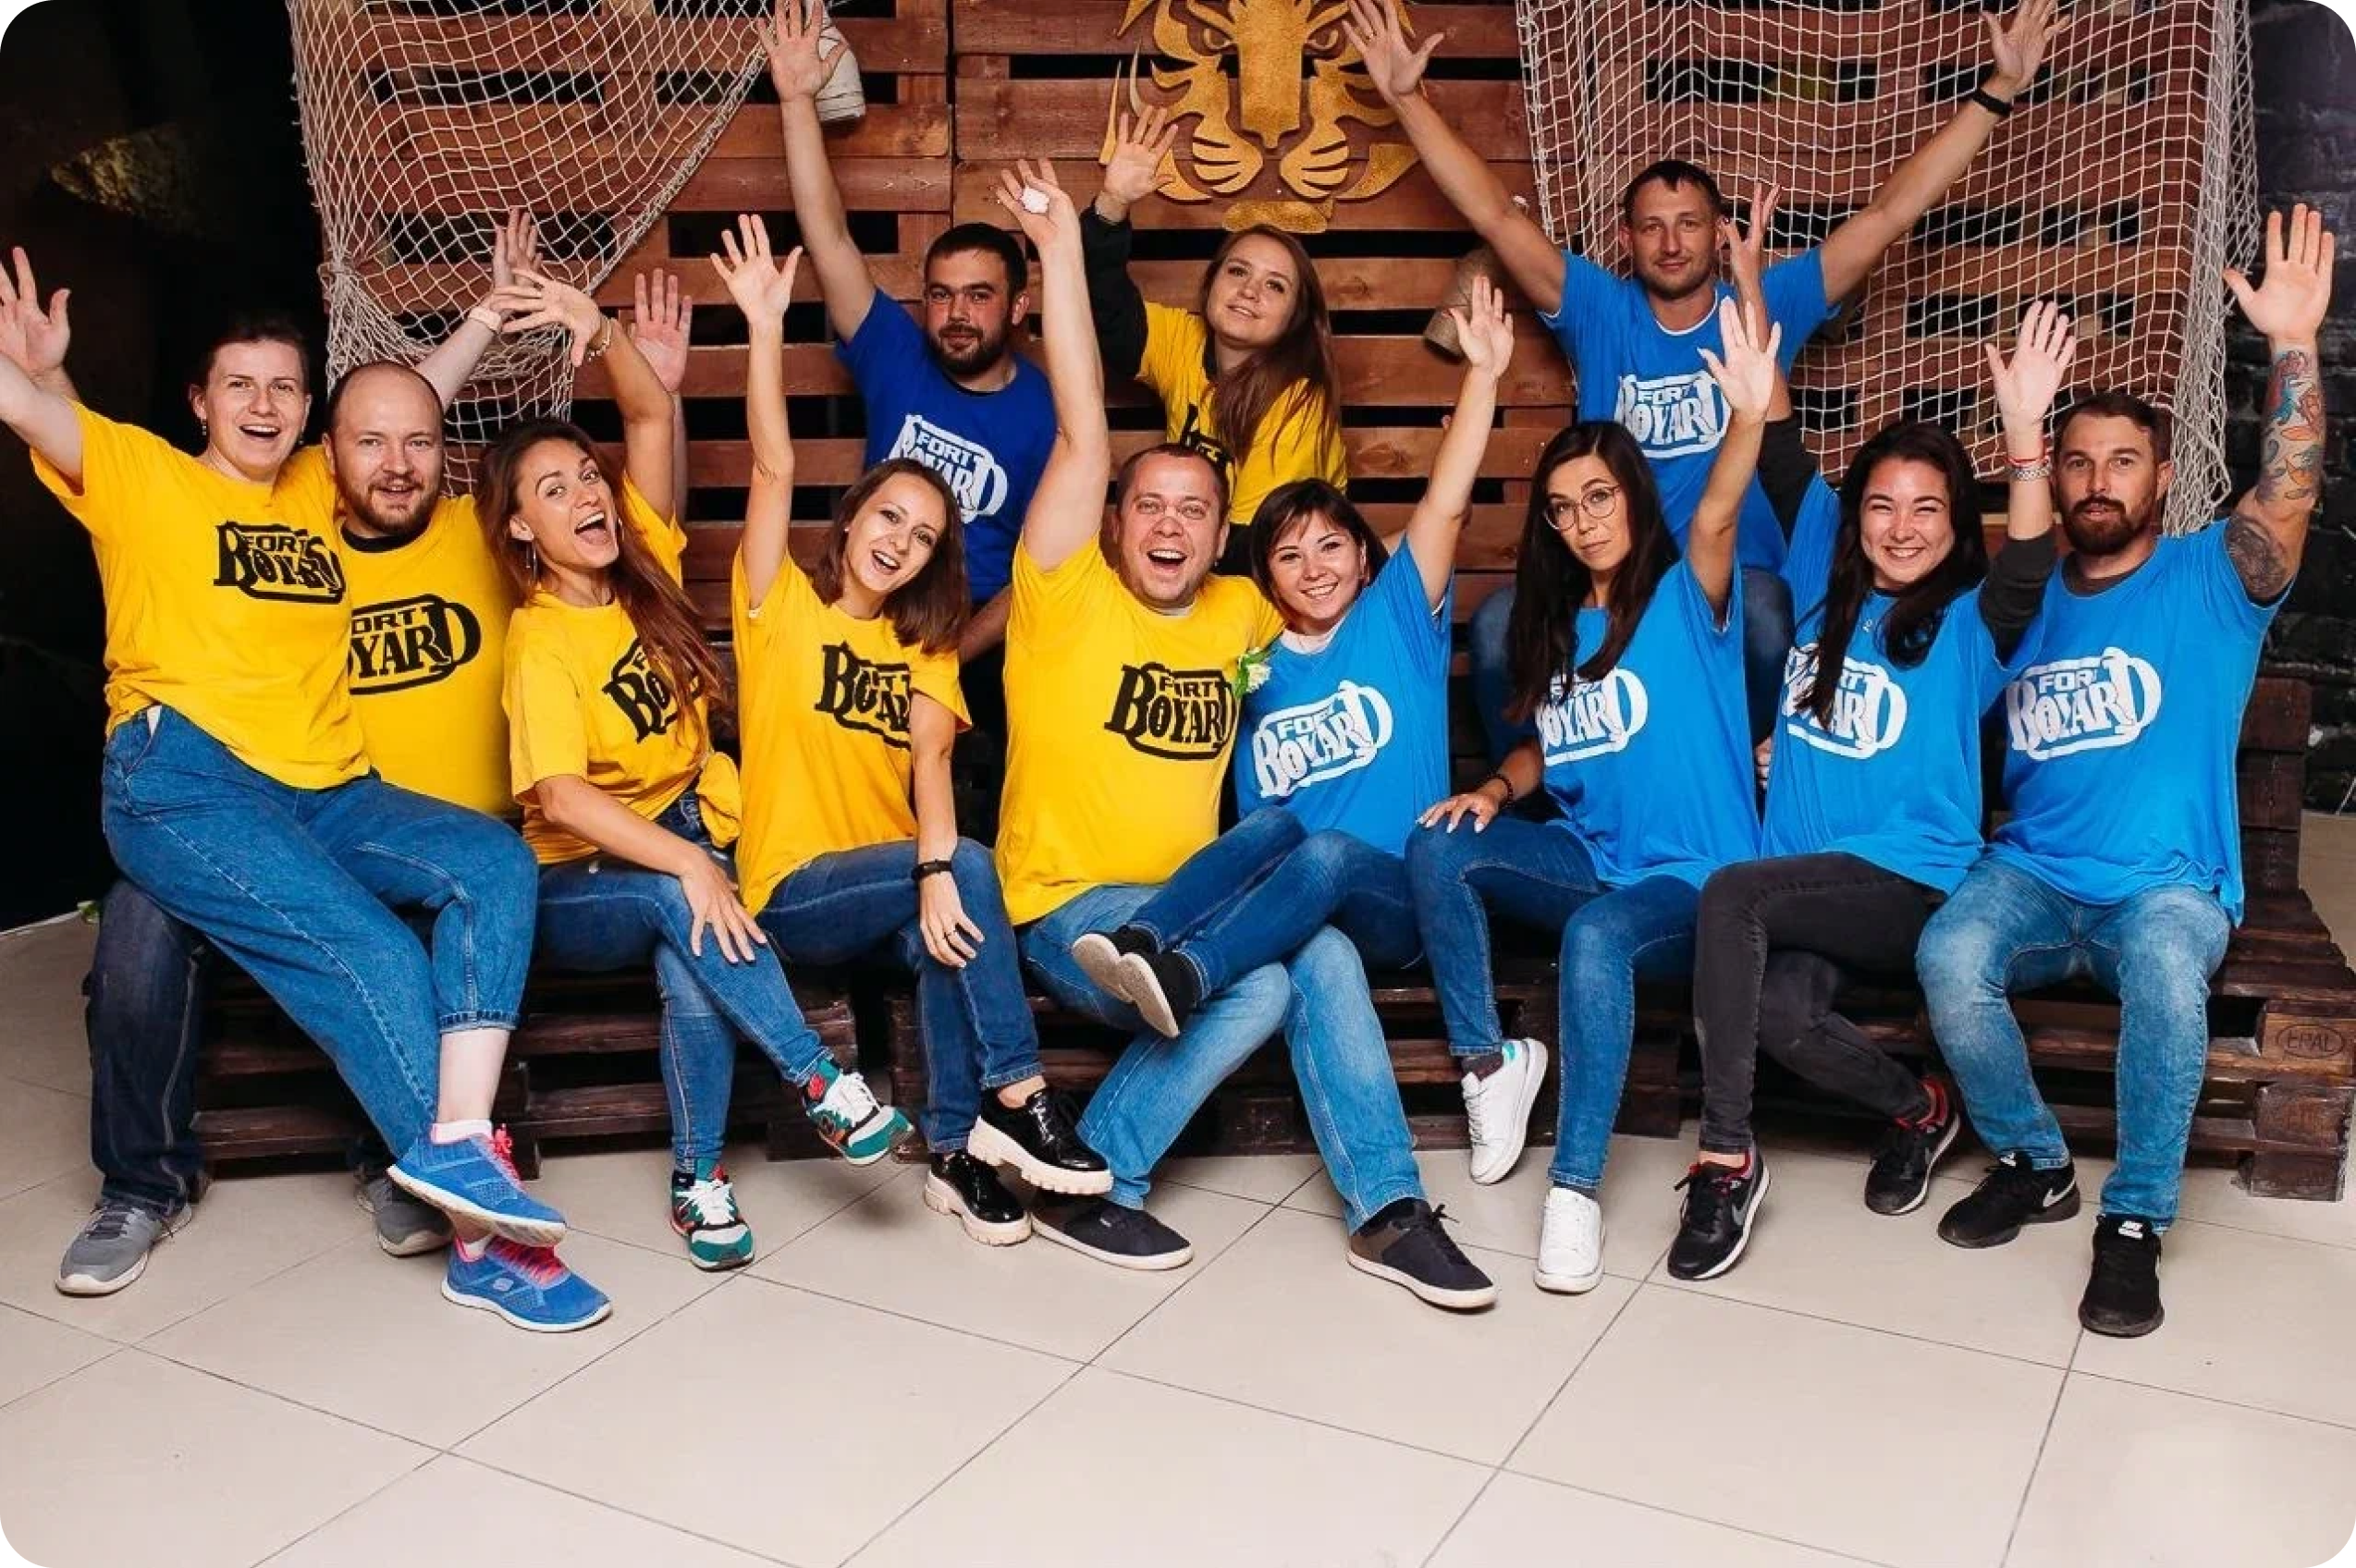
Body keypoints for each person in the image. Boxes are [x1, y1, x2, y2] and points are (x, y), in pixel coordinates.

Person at [0, 245, 598, 1324]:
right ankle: (483, 1235)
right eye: (240, 384)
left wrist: (480, 315)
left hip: (330, 788)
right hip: (188, 778)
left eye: (285, 386)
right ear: (200, 401)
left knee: (490, 860)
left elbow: (405, 404)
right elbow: (34, 414)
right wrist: (43, 378)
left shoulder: (318, 482)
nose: (265, 404)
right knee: (361, 946)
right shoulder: (147, 474)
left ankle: (452, 1143)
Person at [991, 159, 1491, 1309]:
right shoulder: (1065, 591)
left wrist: (1480, 382)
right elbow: (1080, 423)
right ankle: (1098, 1173)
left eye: (1195, 510)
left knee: (1316, 952)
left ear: (1225, 538)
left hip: (1199, 911)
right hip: (1071, 910)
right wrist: (1063, 249)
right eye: (1148, 506)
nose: (1169, 525)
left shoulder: (1242, 610)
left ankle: (1388, 1210)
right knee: (1262, 982)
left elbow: (1348, 571)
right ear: (1113, 522)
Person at [1344, 0, 2068, 753]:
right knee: (1497, 626)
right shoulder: (1598, 308)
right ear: (1626, 237)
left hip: (1738, 585)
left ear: (1720, 233)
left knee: (1765, 612)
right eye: (1652, 226)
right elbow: (1497, 216)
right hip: (1612, 581)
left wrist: (1997, 92)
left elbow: (1888, 214)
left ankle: (1755, 785)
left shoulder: (1764, 301)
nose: (1670, 242)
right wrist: (1407, 99)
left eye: (1689, 223)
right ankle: (1527, 800)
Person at [1917, 206, 2332, 1339]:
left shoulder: (2212, 578)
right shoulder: (2018, 595)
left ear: (2162, 477)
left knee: (2160, 966)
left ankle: (2134, 1218)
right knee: (1948, 952)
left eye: (2123, 461)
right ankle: (2034, 1159)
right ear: (2052, 477)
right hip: (2032, 875)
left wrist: (2293, 343)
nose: (2098, 480)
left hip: (2164, 887)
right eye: (2078, 461)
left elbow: (2290, 487)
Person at [485, 264, 917, 1269]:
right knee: (684, 900)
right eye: (553, 490)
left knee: (695, 956)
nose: (587, 494)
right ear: (520, 529)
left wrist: (598, 327)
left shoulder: (642, 566)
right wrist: (686, 862)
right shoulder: (539, 639)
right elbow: (560, 795)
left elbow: (647, 411)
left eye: (586, 476)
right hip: (576, 877)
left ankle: (698, 1183)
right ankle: (819, 1080)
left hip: (689, 825)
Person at [706, 213, 1109, 1251]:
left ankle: (955, 1154)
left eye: (925, 537)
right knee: (960, 869)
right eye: (889, 517)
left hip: (892, 885)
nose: (901, 542)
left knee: (952, 925)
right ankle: (1022, 1095)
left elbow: (932, 767)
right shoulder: (780, 609)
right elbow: (771, 469)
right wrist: (763, 329)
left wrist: (932, 875)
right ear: (852, 519)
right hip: (796, 889)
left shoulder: (926, 649)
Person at [1674, 301, 2075, 1282]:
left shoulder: (1970, 622)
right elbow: (1780, 457)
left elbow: (2028, 564)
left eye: (1927, 508)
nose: (1901, 528)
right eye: (1883, 506)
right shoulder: (1825, 582)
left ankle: (1725, 1160)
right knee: (1782, 1016)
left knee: (1728, 893)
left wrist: (2025, 438)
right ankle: (1919, 1109)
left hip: (1904, 883)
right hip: (1806, 884)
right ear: (1856, 518)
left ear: (1956, 522)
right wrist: (1753, 386)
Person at [1405, 300, 1776, 1295]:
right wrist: (1495, 786)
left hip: (1693, 884)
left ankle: (1572, 1191)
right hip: (1590, 857)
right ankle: (1490, 1068)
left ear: (1634, 497)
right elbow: (1549, 741)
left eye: (1599, 497)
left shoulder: (1687, 593)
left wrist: (1748, 416)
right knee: (1439, 843)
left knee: (1598, 935)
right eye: (1563, 509)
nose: (1583, 521)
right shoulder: (1558, 625)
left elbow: (1719, 512)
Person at [1066, 276, 1515, 1039]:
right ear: (1266, 581)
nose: (1314, 569)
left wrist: (1483, 375)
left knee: (1327, 851)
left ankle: (1189, 974)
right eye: (1289, 556)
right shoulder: (1254, 653)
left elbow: (1443, 505)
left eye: (1332, 547)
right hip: (1283, 914)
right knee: (1271, 831)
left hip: (1394, 901)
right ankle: (1141, 940)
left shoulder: (1397, 621)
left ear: (1367, 561)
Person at [765, 0, 1051, 678]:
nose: (956, 313)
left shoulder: (1047, 412)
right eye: (941, 295)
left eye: (979, 296)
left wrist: (949, 662)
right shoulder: (895, 350)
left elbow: (1040, 570)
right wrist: (797, 102)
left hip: (971, 637)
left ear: (1019, 307)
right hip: (867, 604)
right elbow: (830, 239)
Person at [1083, 104, 1348, 569]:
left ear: (1295, 317)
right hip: (1193, 557)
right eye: (1238, 271)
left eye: (1275, 286)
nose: (1250, 291)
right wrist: (1113, 202)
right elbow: (1103, 304)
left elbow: (1252, 546)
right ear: (1211, 284)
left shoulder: (1297, 402)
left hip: (1275, 578)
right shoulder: (1184, 340)